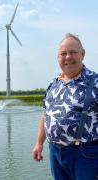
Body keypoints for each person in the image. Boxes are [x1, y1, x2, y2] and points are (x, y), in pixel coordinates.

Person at [32, 33, 98, 180]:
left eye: (73, 52)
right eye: (63, 53)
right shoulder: (53, 83)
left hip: (85, 155)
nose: (68, 57)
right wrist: (39, 143)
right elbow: (46, 114)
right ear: (58, 58)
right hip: (55, 152)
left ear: (83, 54)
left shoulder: (95, 83)